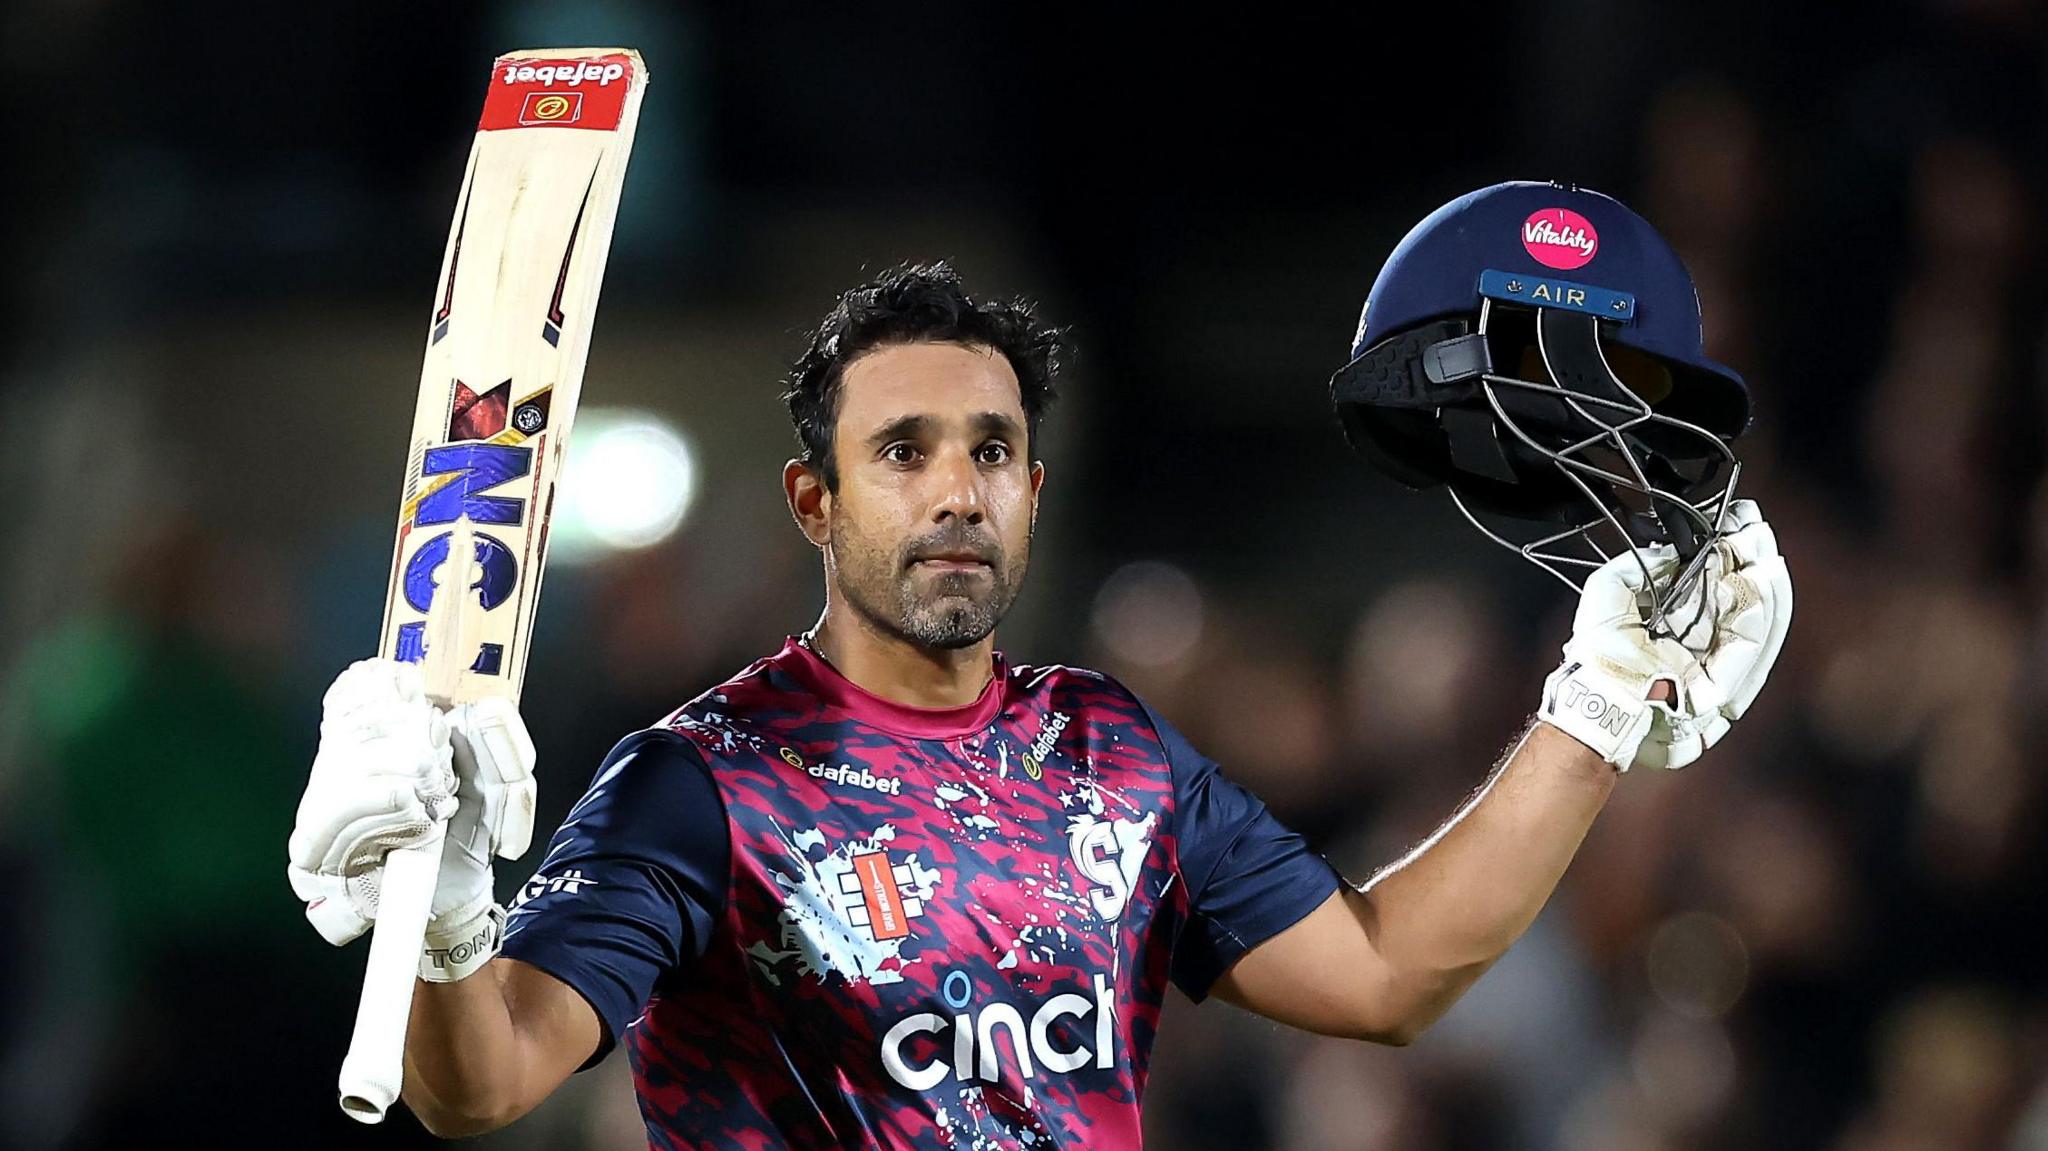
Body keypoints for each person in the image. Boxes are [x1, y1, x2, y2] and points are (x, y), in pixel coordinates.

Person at [288, 184, 1792, 1149]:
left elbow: (1388, 974)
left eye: (992, 451)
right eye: (903, 452)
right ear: (814, 501)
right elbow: (479, 1086)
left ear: (1035, 492)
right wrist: (443, 922)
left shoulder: (1111, 754)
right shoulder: (701, 785)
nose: (957, 491)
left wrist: (1600, 708)